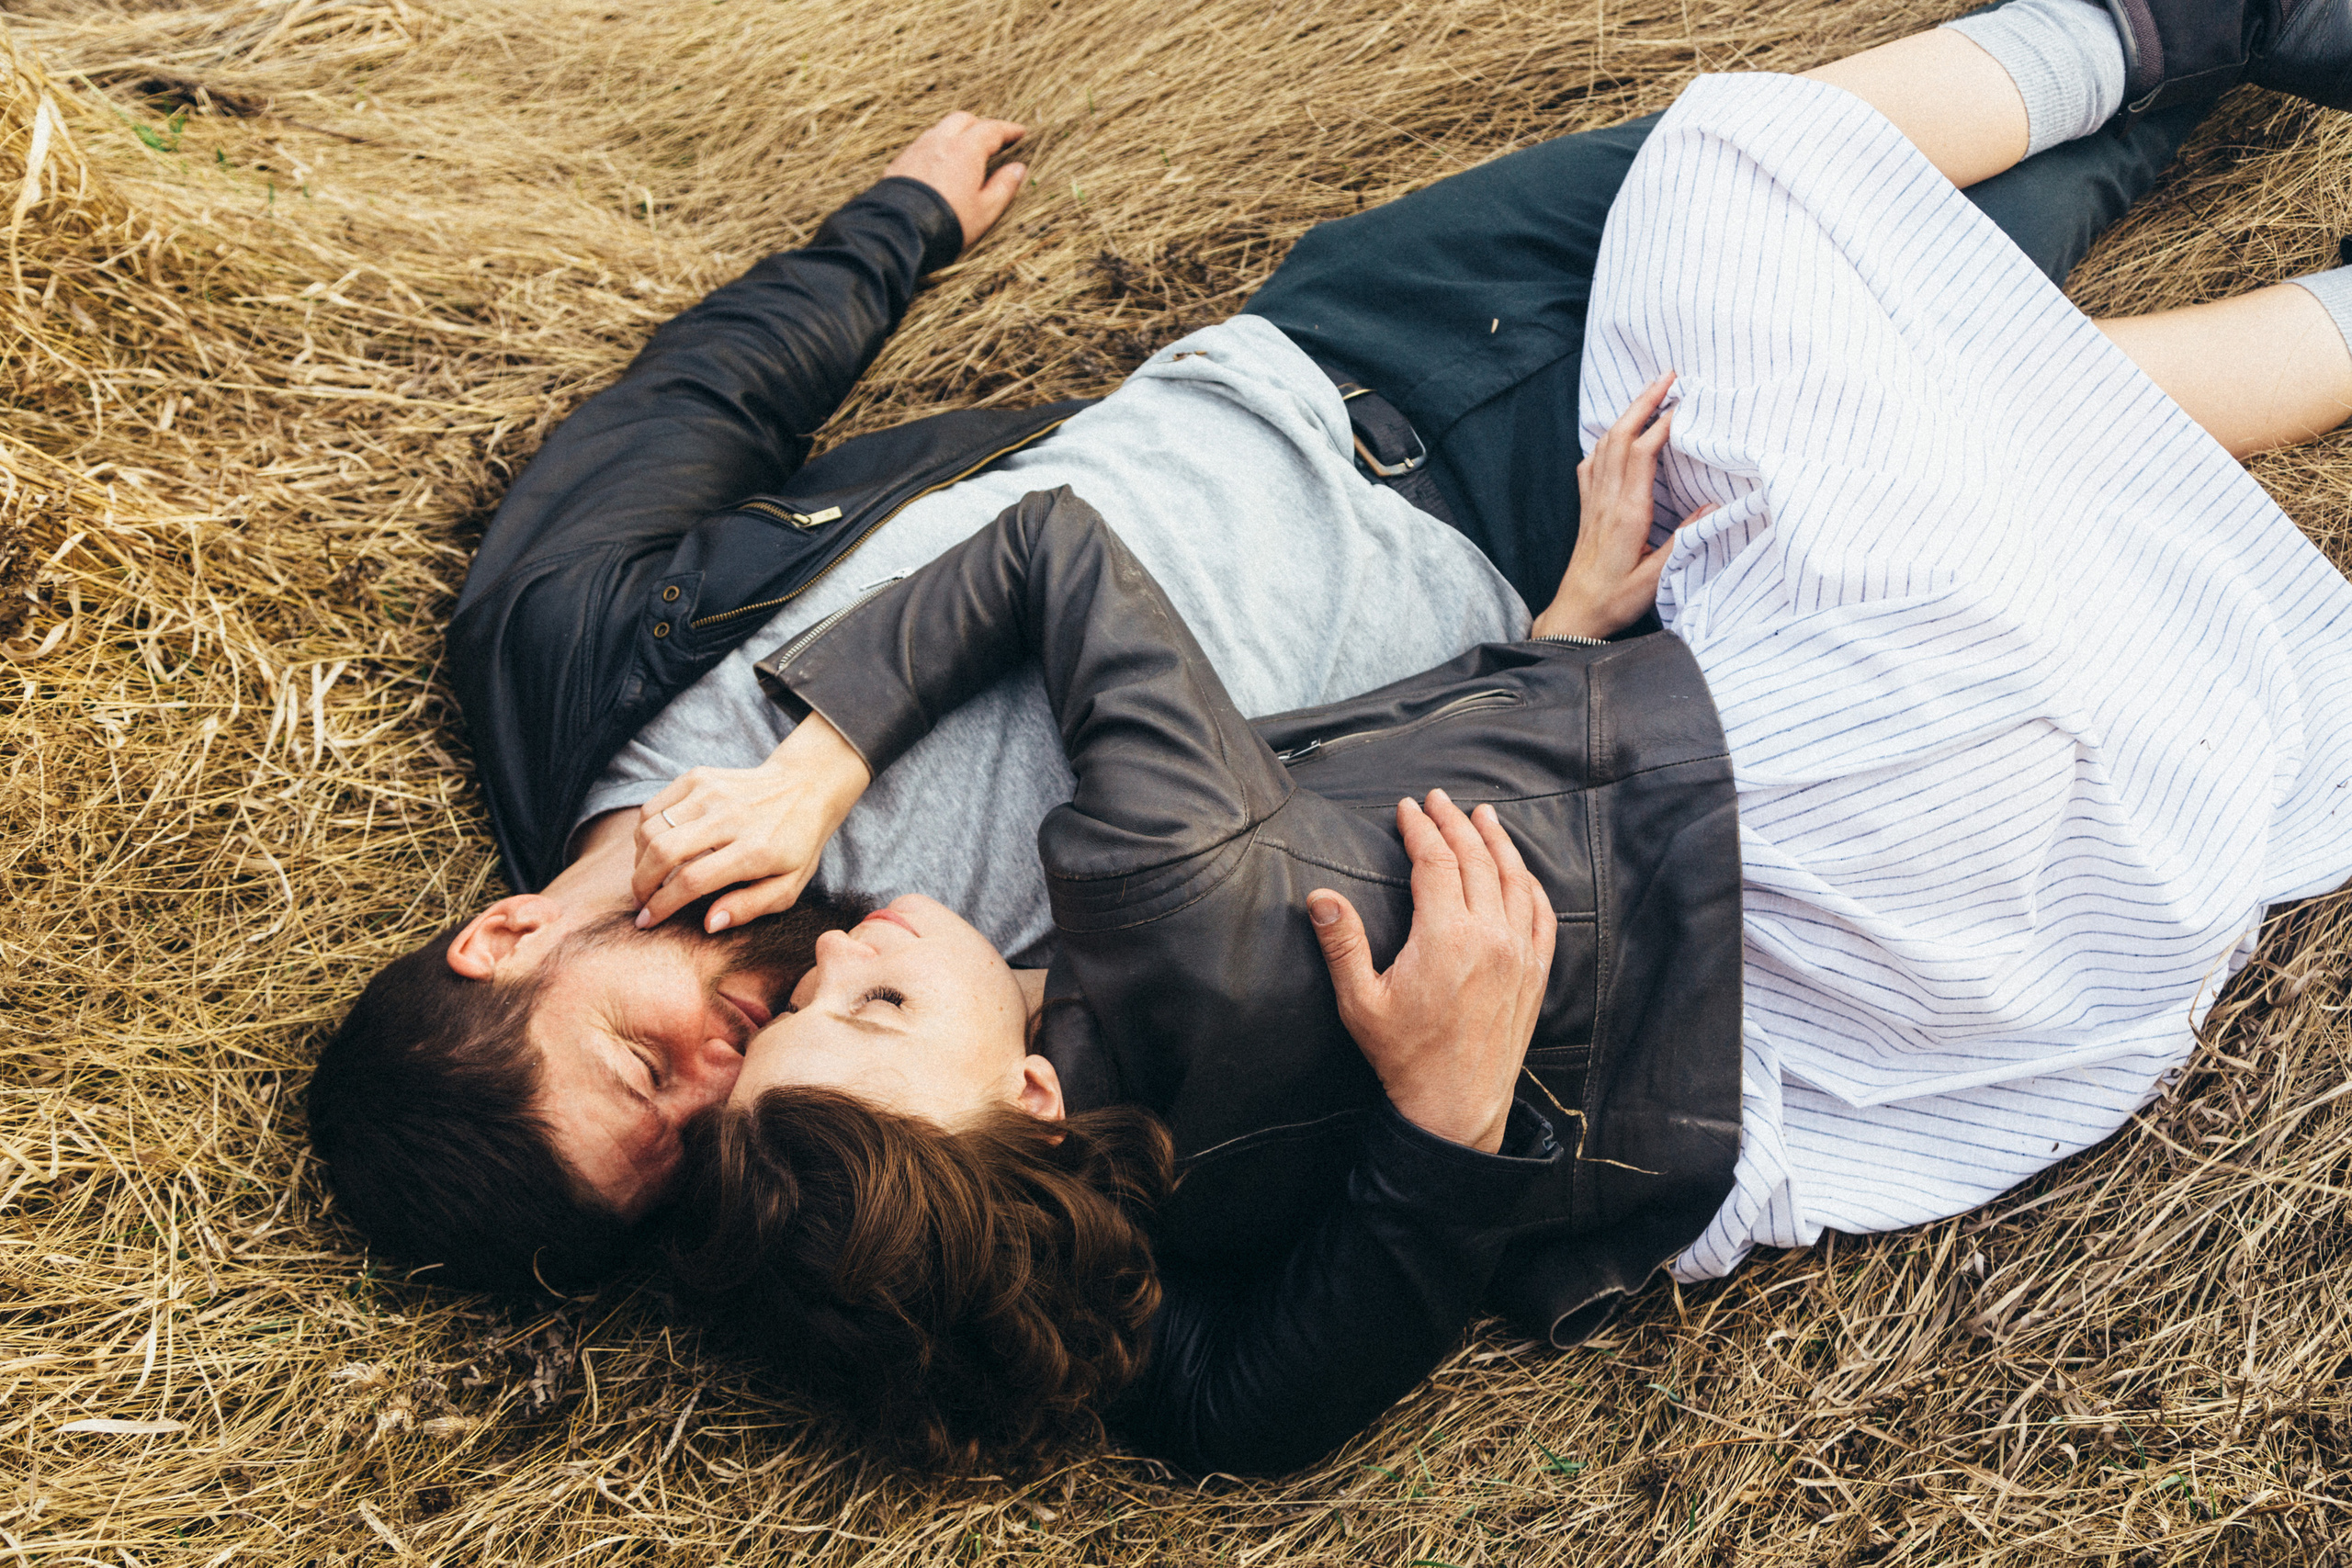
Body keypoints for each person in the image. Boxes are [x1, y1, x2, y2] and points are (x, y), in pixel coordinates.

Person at [306, 0, 2348, 1293]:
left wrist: (904, 215)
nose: (732, 1064)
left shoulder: (567, 652)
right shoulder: (915, 1073)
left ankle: (2196, 30)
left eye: (646, 1055)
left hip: (1321, 359)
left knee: (1762, 150)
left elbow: (698, 404)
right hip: (1540, 563)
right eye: (698, 1139)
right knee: (2013, 377)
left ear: (507, 942)